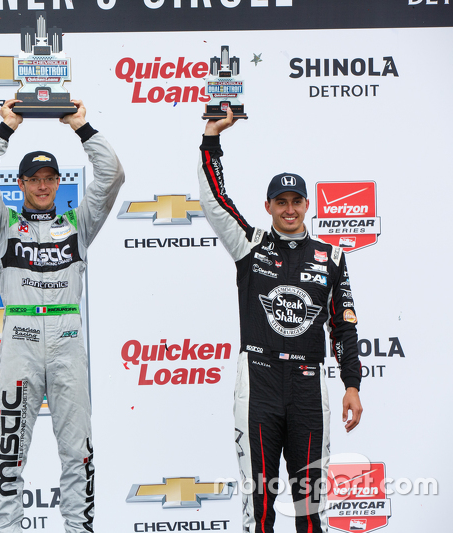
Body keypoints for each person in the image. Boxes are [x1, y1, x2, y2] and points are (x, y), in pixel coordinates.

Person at [197, 110, 363, 533]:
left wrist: (351, 385)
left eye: (296, 202)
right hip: (259, 381)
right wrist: (211, 139)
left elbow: (343, 326)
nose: (289, 209)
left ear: (307, 205)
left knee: (310, 509)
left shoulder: (332, 257)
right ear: (268, 206)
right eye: (280, 202)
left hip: (308, 385)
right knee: (260, 510)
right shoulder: (250, 245)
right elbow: (215, 201)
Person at [0, 99, 124, 533]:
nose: (41, 185)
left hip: (67, 336)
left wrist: (82, 127)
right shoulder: (3, 225)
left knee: (78, 448)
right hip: (21, 337)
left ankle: (79, 528)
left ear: (58, 181)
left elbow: (112, 176)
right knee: (10, 444)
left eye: (49, 178)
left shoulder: (79, 222)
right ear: (20, 183)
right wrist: (6, 128)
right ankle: (6, 528)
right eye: (33, 179)